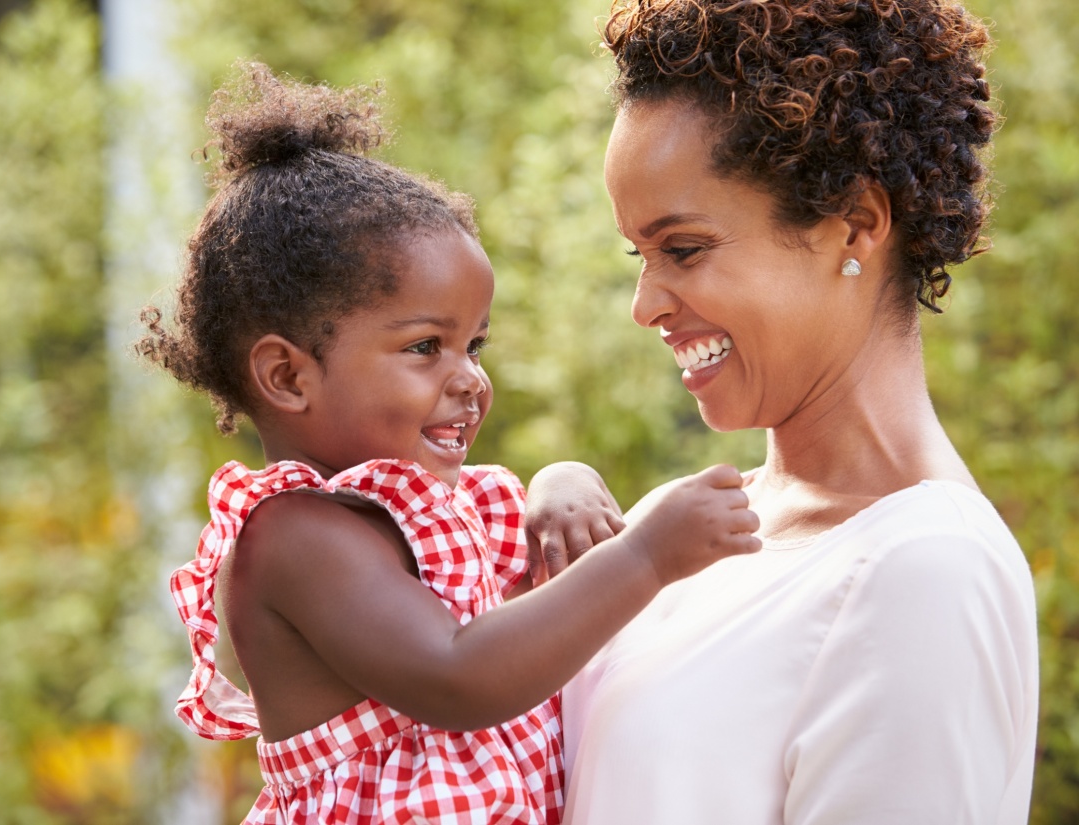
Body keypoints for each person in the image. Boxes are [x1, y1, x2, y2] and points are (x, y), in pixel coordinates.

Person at [137, 62, 761, 825]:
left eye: (476, 345)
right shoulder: (295, 539)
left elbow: (526, 618)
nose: (468, 378)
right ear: (287, 376)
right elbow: (461, 674)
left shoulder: (440, 511)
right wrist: (645, 556)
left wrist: (559, 485)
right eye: (426, 346)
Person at [559, 1, 1039, 823]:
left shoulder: (925, 573)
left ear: (854, 225)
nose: (644, 304)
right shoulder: (680, 529)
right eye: (637, 255)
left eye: (684, 248)